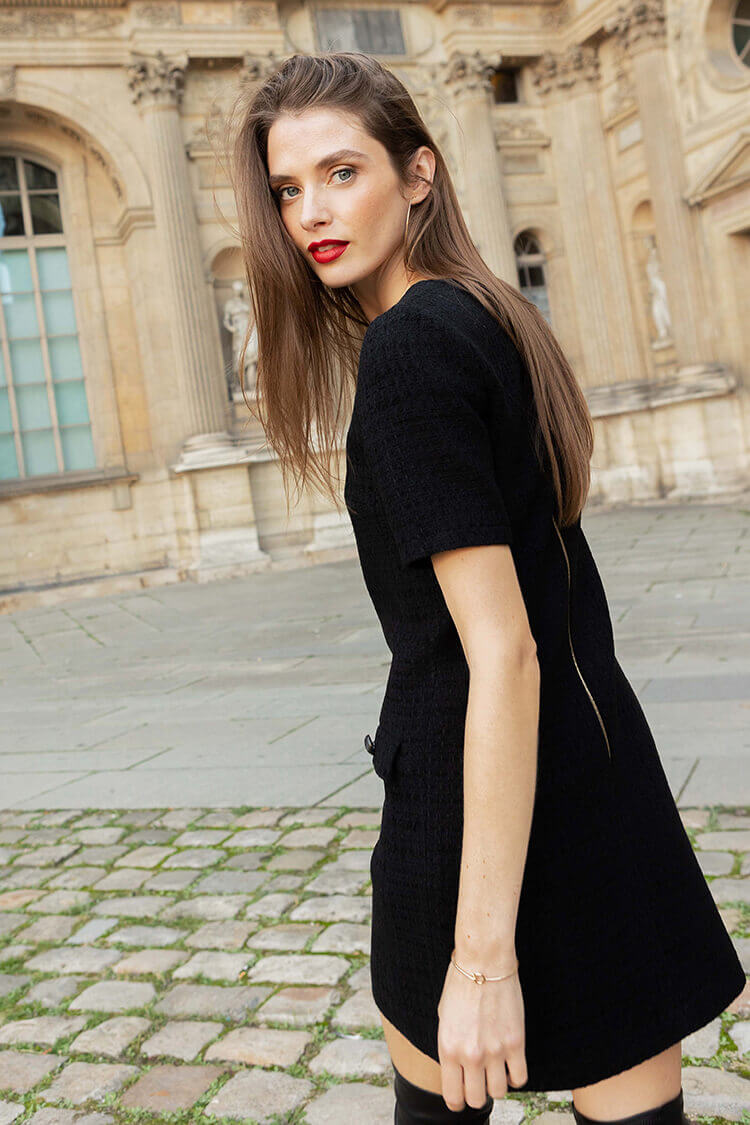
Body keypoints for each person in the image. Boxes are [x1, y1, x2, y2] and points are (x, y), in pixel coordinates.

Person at [223, 50, 746, 1125]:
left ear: (418, 173)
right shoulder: (488, 312)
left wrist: (481, 956)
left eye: (342, 173)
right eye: (286, 189)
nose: (311, 212)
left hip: (472, 819)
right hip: (593, 784)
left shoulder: (410, 347)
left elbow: (500, 651)